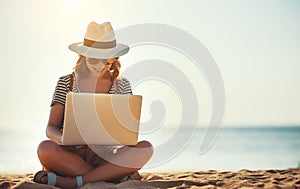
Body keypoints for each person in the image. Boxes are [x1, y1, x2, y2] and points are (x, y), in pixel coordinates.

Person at [33, 21, 153, 189]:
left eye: (107, 61)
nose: (100, 66)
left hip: (106, 155)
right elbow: (50, 128)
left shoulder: (122, 85)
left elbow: (128, 131)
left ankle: (74, 181)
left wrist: (123, 135)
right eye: (95, 60)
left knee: (146, 148)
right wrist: (64, 139)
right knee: (44, 148)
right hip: (71, 153)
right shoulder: (66, 82)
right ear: (83, 56)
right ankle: (110, 176)